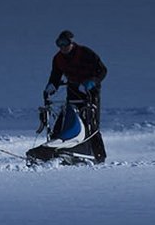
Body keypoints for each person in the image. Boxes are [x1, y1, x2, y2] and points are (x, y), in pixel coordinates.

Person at [40, 29, 108, 161]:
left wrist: (92, 82)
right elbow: (55, 76)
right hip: (72, 90)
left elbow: (103, 70)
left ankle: (100, 157)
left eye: (65, 44)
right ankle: (55, 148)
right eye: (59, 44)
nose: (62, 47)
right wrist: (51, 86)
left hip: (89, 91)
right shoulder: (58, 59)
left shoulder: (86, 53)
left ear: (72, 43)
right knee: (66, 118)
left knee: (91, 123)